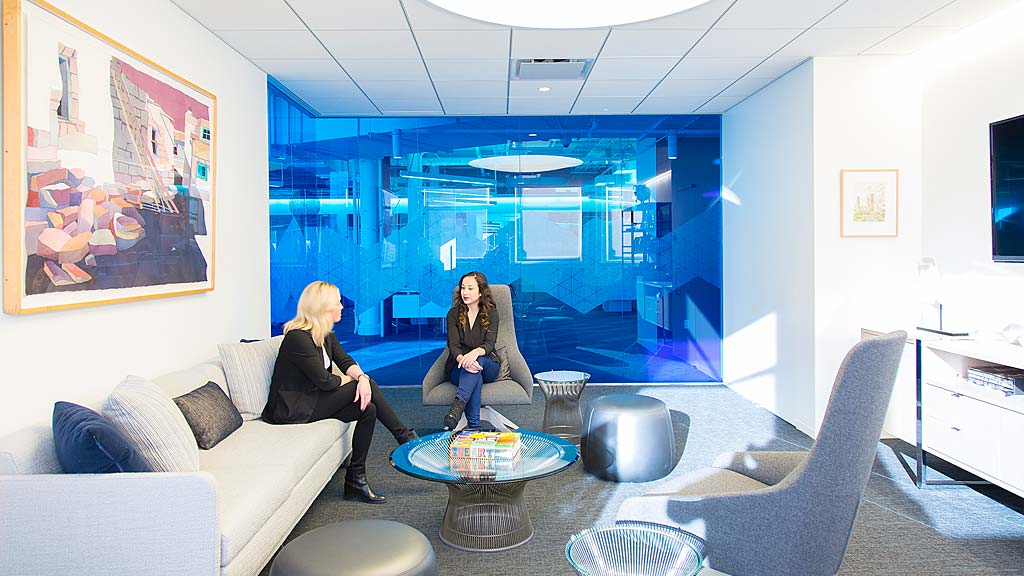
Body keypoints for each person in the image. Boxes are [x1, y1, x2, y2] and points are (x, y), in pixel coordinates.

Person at [263, 281, 417, 504]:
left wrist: (362, 377)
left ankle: (356, 479)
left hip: (312, 399)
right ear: (322, 307)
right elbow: (325, 381)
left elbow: (345, 361)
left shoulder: (324, 334)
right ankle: (405, 438)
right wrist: (358, 381)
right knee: (365, 389)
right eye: (337, 302)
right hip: (292, 408)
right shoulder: (297, 337)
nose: (342, 306)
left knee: (368, 408)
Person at [442, 271, 501, 431]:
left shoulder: (492, 313)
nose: (465, 292)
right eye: (462, 288)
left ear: (481, 291)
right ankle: (475, 428)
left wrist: (473, 354)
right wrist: (463, 359)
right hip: (459, 367)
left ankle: (457, 407)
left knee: (478, 362)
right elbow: (453, 346)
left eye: (470, 288)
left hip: (487, 364)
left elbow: (489, 344)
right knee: (474, 374)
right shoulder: (453, 314)